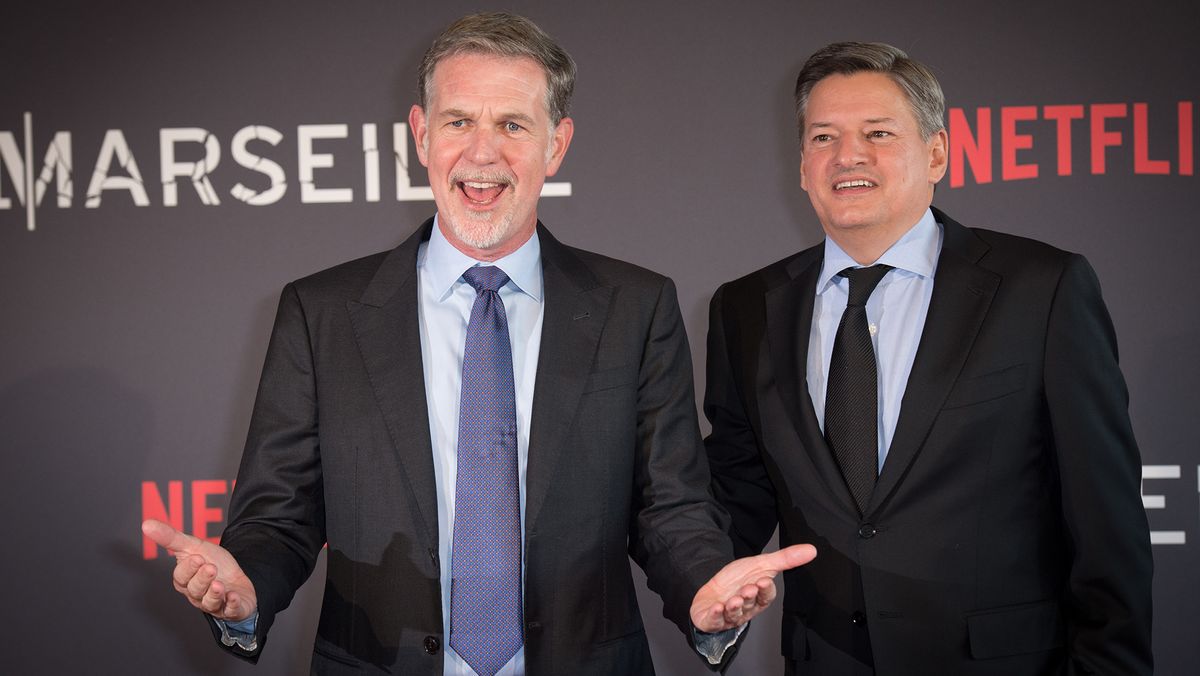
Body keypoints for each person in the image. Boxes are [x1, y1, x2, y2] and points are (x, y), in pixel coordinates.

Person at [142, 12, 815, 676]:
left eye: (513, 125)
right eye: (459, 121)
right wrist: (244, 588)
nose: (482, 152)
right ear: (420, 134)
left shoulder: (635, 307)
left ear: (556, 144)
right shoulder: (322, 313)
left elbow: (670, 504)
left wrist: (703, 587)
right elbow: (278, 515)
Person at [703, 41, 1152, 675]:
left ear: (937, 151)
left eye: (878, 133)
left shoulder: (1042, 288)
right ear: (801, 165)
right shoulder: (745, 306)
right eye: (823, 137)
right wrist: (699, 583)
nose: (848, 155)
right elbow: (737, 491)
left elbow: (1106, 523)